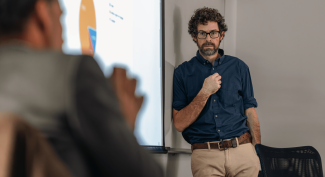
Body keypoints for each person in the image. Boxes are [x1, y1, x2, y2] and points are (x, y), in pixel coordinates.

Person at [0, 0, 163, 177]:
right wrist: (123, 121)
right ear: (43, 14)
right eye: (61, 16)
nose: (63, 37)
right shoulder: (72, 73)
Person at [172, 7, 261, 177]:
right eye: (202, 33)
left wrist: (256, 152)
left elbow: (250, 111)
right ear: (194, 36)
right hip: (205, 155)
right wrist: (204, 92)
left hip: (243, 152)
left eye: (213, 33)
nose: (208, 39)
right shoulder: (182, 72)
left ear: (221, 35)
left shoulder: (239, 67)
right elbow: (179, 124)